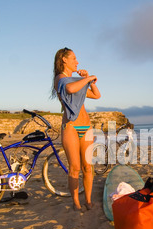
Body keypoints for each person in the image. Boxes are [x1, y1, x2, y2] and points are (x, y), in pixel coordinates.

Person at [51, 47, 101, 211]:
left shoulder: (75, 80)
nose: (77, 61)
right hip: (71, 127)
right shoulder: (61, 78)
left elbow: (96, 95)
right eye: (73, 58)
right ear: (64, 59)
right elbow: (70, 89)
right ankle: (76, 202)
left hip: (86, 127)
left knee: (88, 167)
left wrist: (88, 79)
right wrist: (88, 78)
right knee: (75, 168)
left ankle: (88, 200)